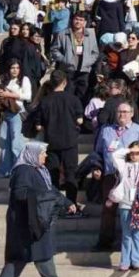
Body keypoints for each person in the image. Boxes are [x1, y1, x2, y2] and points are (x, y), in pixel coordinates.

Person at [0, 142, 74, 277]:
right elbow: (19, 193)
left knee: (30, 253)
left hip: (36, 218)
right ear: (32, 154)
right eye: (42, 153)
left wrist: (66, 202)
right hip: (26, 220)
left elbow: (51, 190)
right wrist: (43, 196)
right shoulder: (23, 170)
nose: (45, 156)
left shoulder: (39, 170)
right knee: (36, 253)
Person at [90, 102, 139, 251]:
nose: (122, 115)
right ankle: (105, 242)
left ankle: (130, 243)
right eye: (120, 112)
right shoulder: (106, 130)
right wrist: (97, 167)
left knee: (131, 209)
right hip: (111, 176)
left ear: (132, 113)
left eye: (126, 112)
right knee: (108, 209)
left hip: (131, 178)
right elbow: (97, 152)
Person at [33, 70, 84, 213]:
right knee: (71, 175)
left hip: (52, 143)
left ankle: (55, 205)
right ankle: (72, 205)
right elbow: (80, 120)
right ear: (65, 82)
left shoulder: (45, 101)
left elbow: (38, 126)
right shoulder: (73, 99)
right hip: (70, 142)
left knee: (52, 175)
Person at [108, 141, 139, 272]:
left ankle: (137, 261)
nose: (134, 155)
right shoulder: (124, 165)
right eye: (132, 153)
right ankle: (125, 261)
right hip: (125, 203)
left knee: (137, 233)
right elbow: (114, 155)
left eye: (137, 153)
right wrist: (128, 149)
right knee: (126, 234)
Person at [0, 60, 32, 178]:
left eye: (17, 68)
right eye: (12, 68)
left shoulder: (24, 79)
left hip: (17, 113)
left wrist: (9, 94)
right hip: (4, 112)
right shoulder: (5, 80)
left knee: (16, 143)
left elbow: (27, 96)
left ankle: (20, 171)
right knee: (4, 143)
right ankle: (4, 170)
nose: (15, 70)